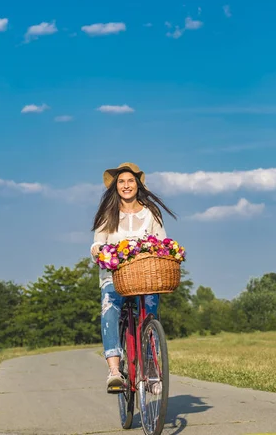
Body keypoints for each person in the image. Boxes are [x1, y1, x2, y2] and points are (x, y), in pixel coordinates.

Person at [90, 162, 177, 391]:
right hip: (115, 275)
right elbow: (98, 242)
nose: (126, 185)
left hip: (144, 276)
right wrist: (99, 251)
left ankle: (149, 366)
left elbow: (162, 242)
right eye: (121, 182)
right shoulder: (108, 213)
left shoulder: (151, 214)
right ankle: (115, 371)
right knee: (109, 308)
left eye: (130, 181)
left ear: (138, 185)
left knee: (150, 310)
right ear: (115, 186)